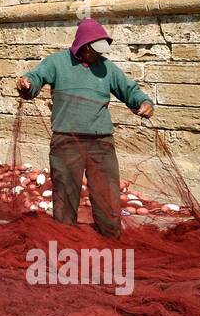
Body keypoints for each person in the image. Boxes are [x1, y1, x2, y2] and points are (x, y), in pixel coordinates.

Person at [14, 18, 153, 239]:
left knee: (107, 197)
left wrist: (144, 103)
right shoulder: (57, 63)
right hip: (66, 142)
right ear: (82, 45)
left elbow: (130, 90)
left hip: (101, 143)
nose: (98, 54)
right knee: (65, 198)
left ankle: (110, 239)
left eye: (101, 50)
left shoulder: (107, 68)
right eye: (94, 50)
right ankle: (63, 241)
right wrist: (26, 84)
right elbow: (35, 77)